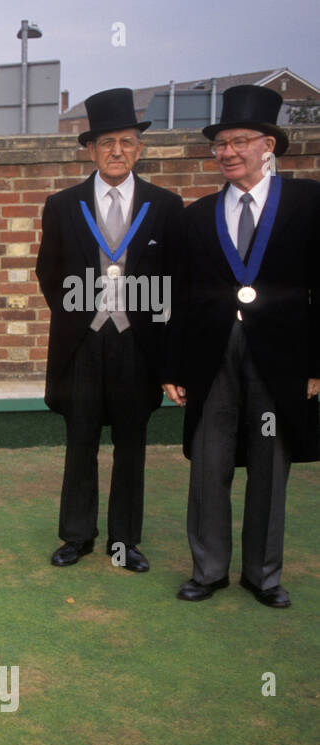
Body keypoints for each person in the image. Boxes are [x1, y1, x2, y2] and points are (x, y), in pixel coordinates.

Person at [163, 85, 320, 608]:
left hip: (282, 357)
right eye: (220, 144)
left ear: (268, 145)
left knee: (271, 462)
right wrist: (174, 366)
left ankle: (263, 575)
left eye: (238, 142)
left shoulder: (309, 202)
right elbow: (179, 297)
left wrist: (317, 366)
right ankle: (208, 570)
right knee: (209, 461)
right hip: (211, 358)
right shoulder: (196, 215)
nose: (227, 152)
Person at [35, 88, 183, 572]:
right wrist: (84, 312)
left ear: (140, 148)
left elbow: (173, 280)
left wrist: (152, 331)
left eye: (125, 142)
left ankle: (125, 541)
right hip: (83, 342)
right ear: (90, 149)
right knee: (80, 442)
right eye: (105, 143)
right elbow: (48, 273)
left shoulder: (165, 204)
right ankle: (76, 536)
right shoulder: (63, 204)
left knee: (131, 445)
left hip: (137, 344)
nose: (116, 151)